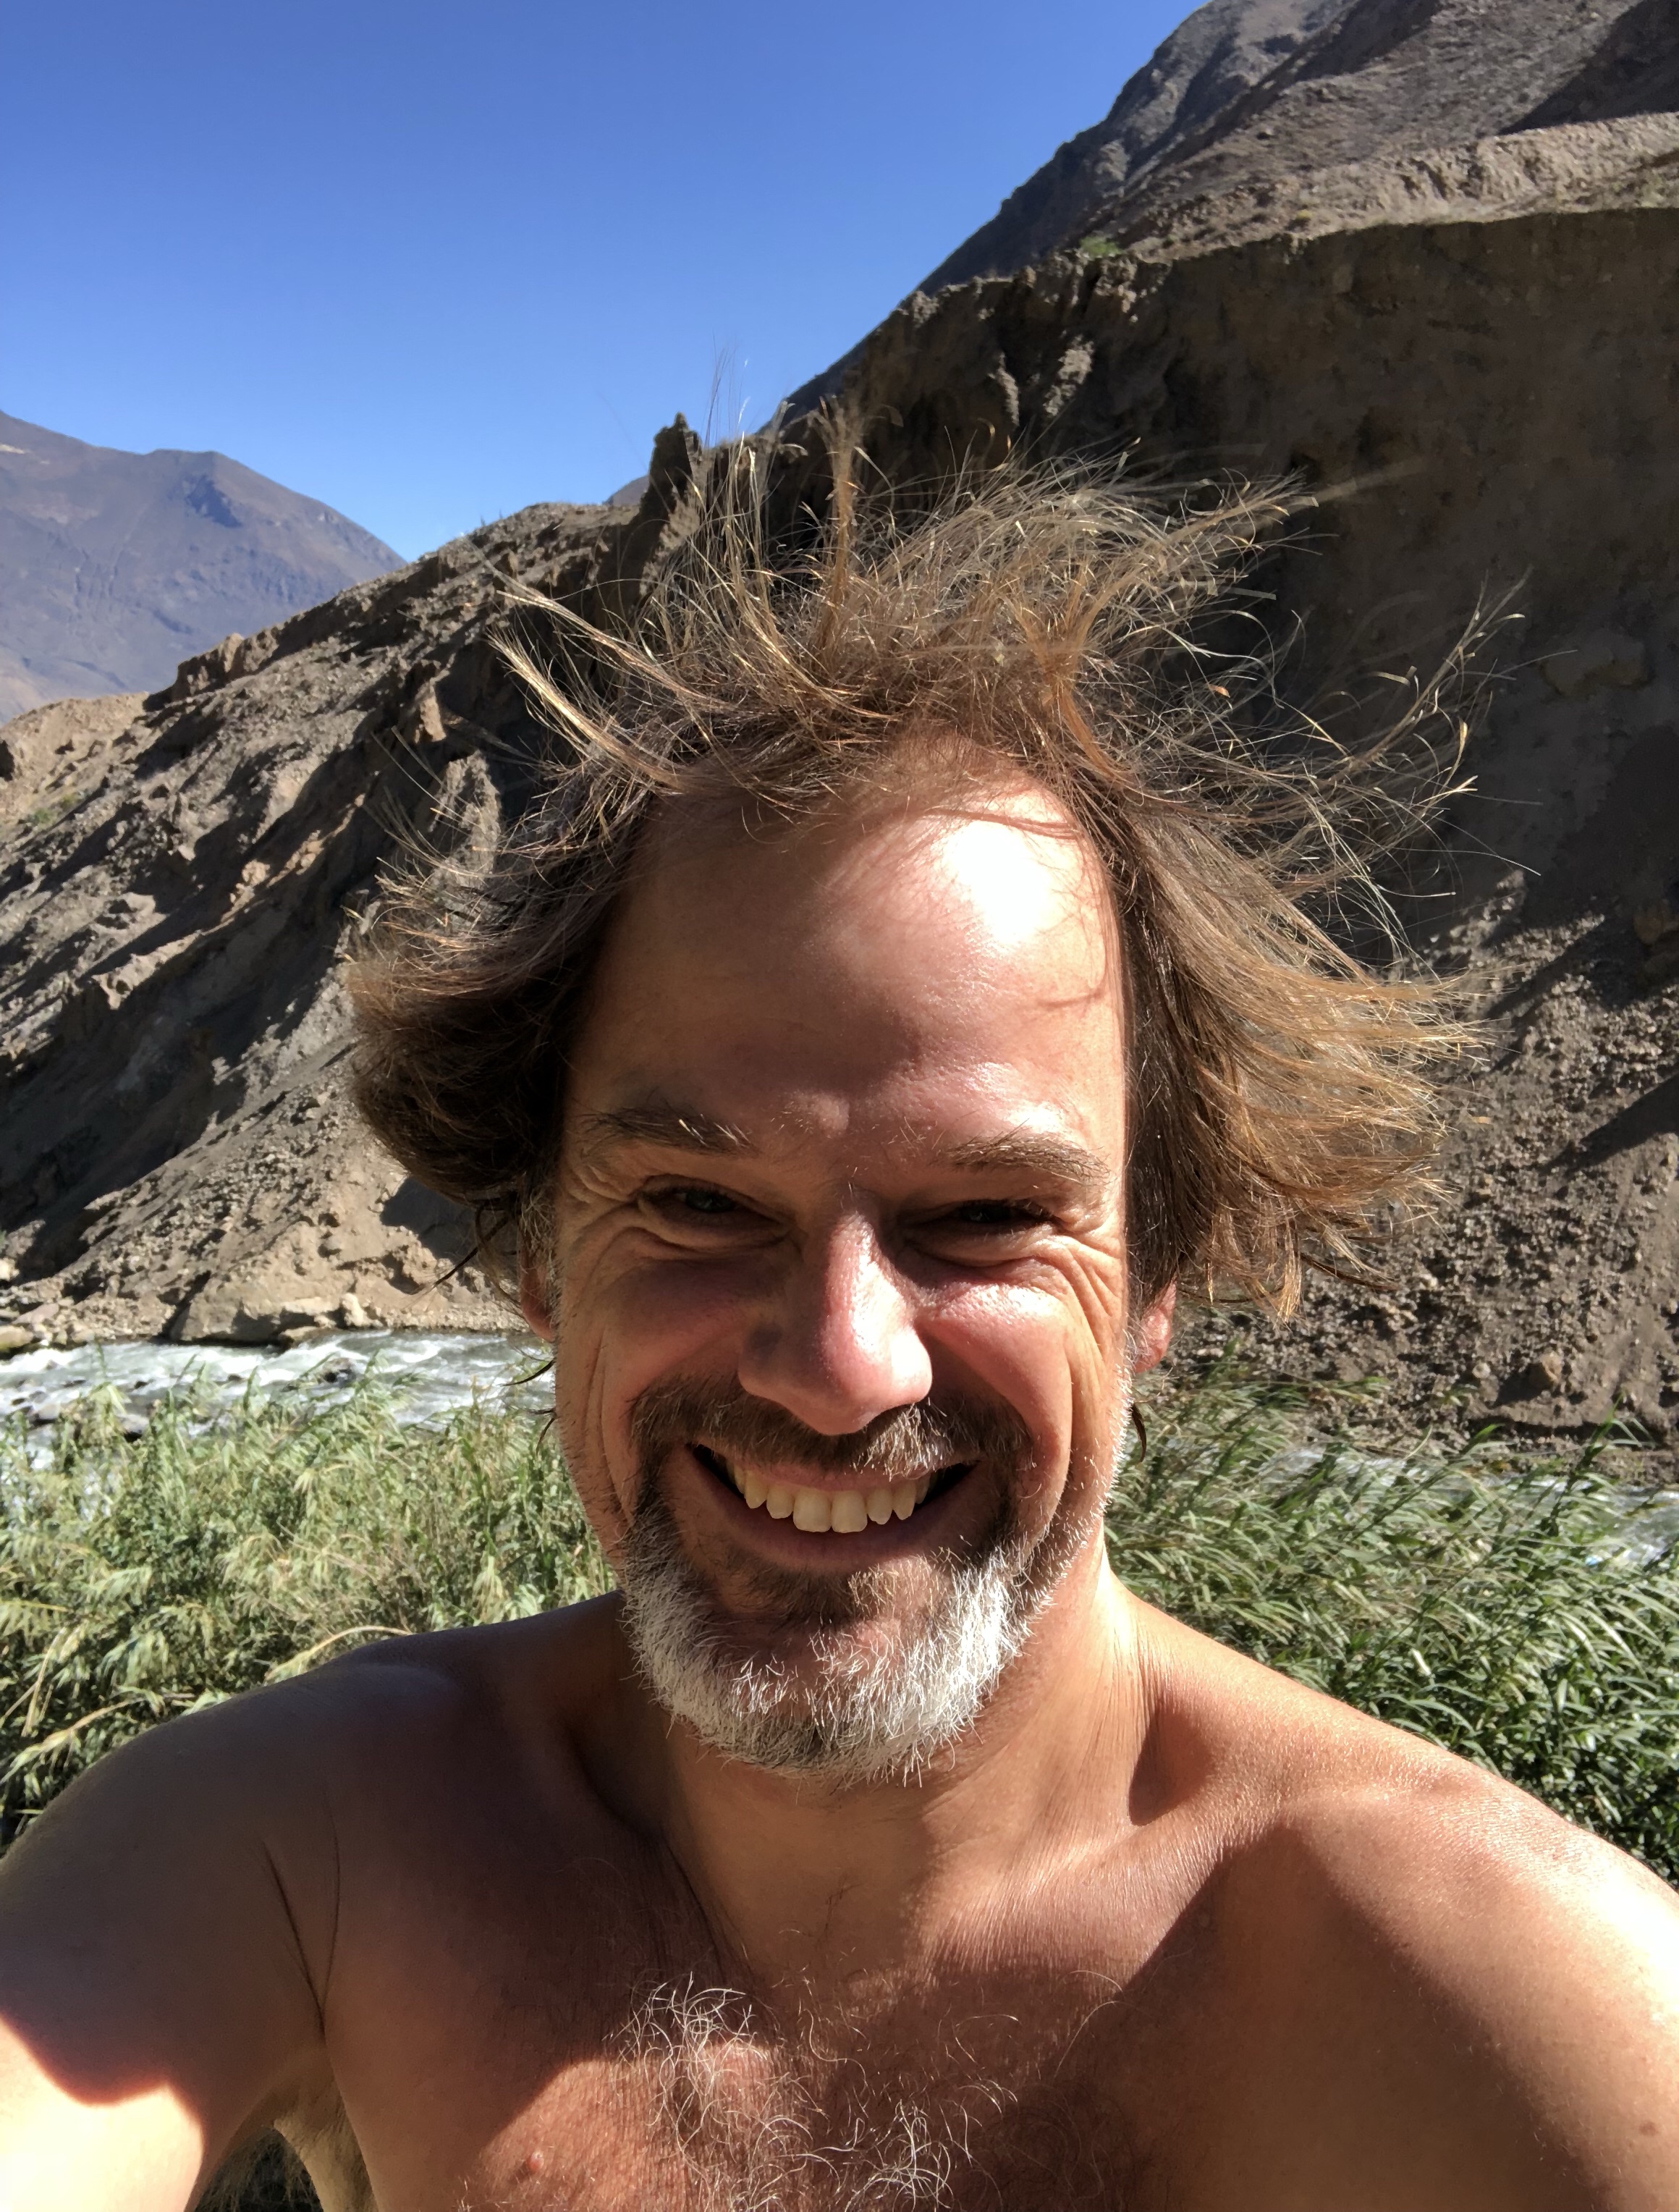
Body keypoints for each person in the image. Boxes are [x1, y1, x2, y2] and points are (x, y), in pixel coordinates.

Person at [1, 458, 1675, 2212]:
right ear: (536, 1253)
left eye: (984, 1216)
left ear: (1155, 1278)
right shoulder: (300, 1852)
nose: (838, 1363)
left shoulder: (1507, 2001)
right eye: (696, 1201)